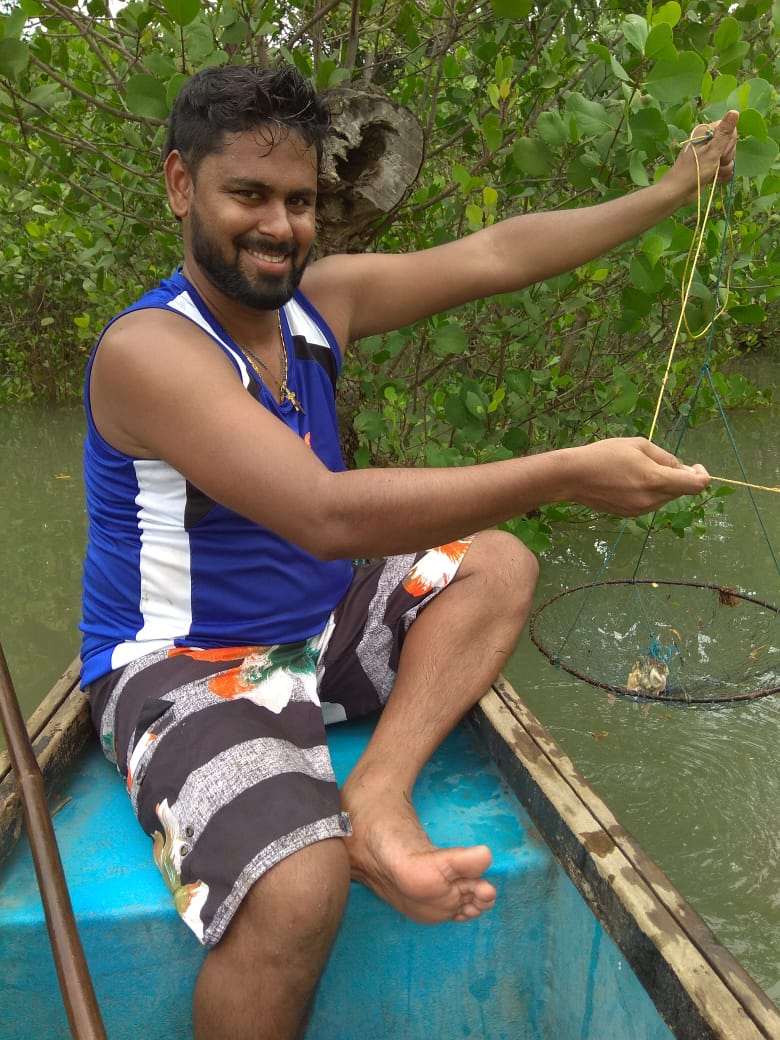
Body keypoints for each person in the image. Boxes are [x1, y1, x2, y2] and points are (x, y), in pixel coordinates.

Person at [79, 63, 738, 1040]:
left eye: (298, 201)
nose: (279, 226)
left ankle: (377, 793)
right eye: (247, 195)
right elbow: (325, 514)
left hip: (321, 623)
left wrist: (673, 189)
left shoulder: (318, 305)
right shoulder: (151, 351)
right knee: (298, 888)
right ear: (182, 185)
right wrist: (559, 469)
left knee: (495, 564)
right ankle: (328, 831)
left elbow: (499, 253)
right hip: (185, 665)